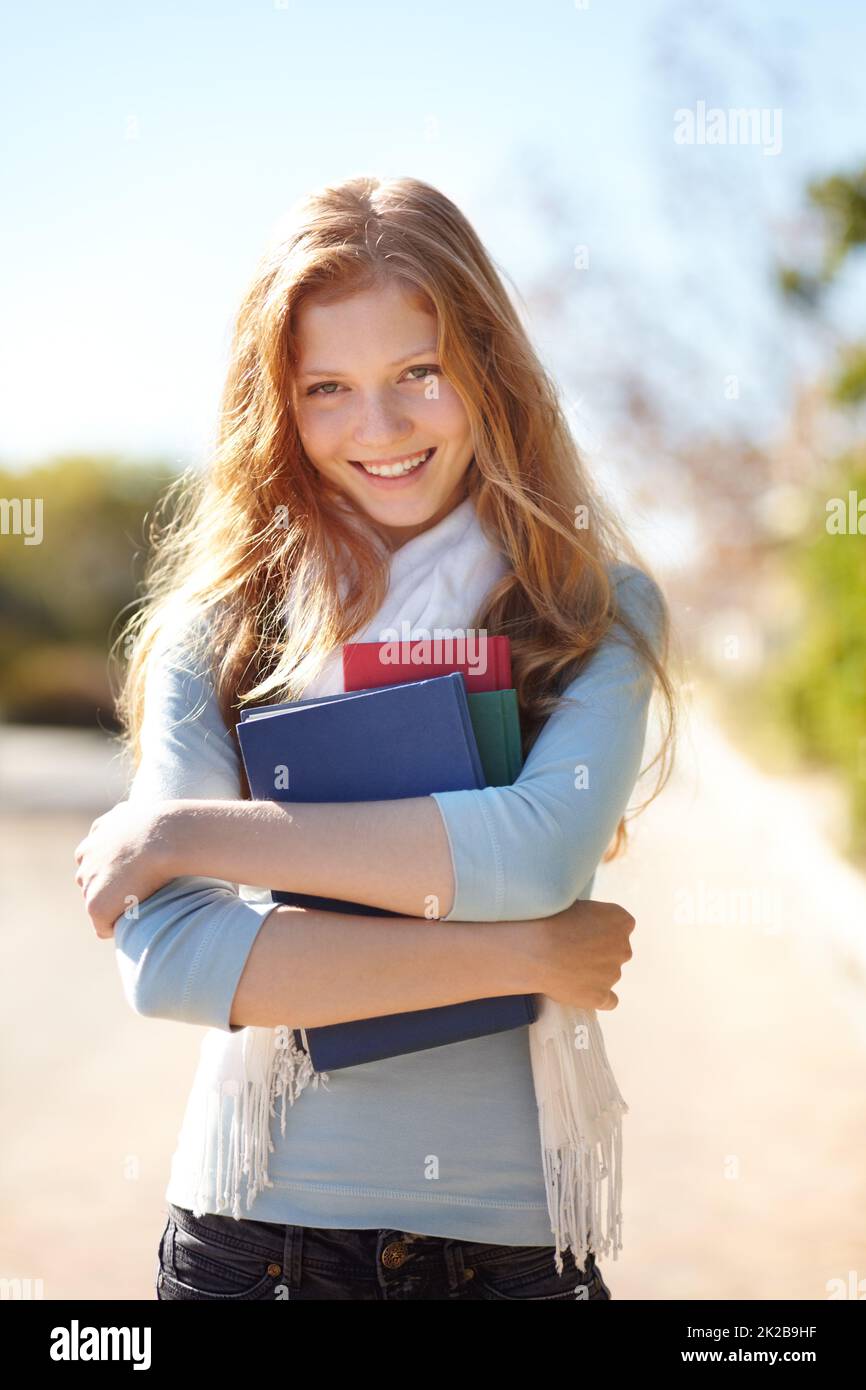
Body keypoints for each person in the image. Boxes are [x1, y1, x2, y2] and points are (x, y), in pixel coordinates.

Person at [73, 174, 677, 1302]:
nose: (380, 428)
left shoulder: (588, 608)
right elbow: (177, 963)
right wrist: (524, 953)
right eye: (328, 388)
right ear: (281, 406)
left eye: (418, 373)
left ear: (488, 372)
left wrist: (190, 830)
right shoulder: (223, 625)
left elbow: (536, 854)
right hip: (259, 1245)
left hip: (516, 1252)